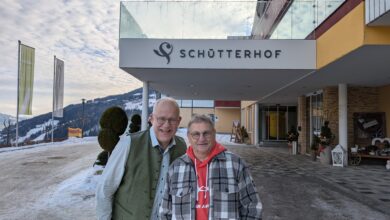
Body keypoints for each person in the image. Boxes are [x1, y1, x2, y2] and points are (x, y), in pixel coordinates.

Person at [96, 97, 187, 220]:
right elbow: (105, 190)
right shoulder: (129, 143)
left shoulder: (182, 147)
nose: (166, 125)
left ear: (179, 121)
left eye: (172, 119)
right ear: (151, 119)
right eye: (161, 119)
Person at [159, 114, 262, 220]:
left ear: (214, 134)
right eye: (196, 134)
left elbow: (252, 206)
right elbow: (165, 211)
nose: (201, 138)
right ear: (189, 137)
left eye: (206, 133)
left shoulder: (236, 164)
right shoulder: (175, 168)